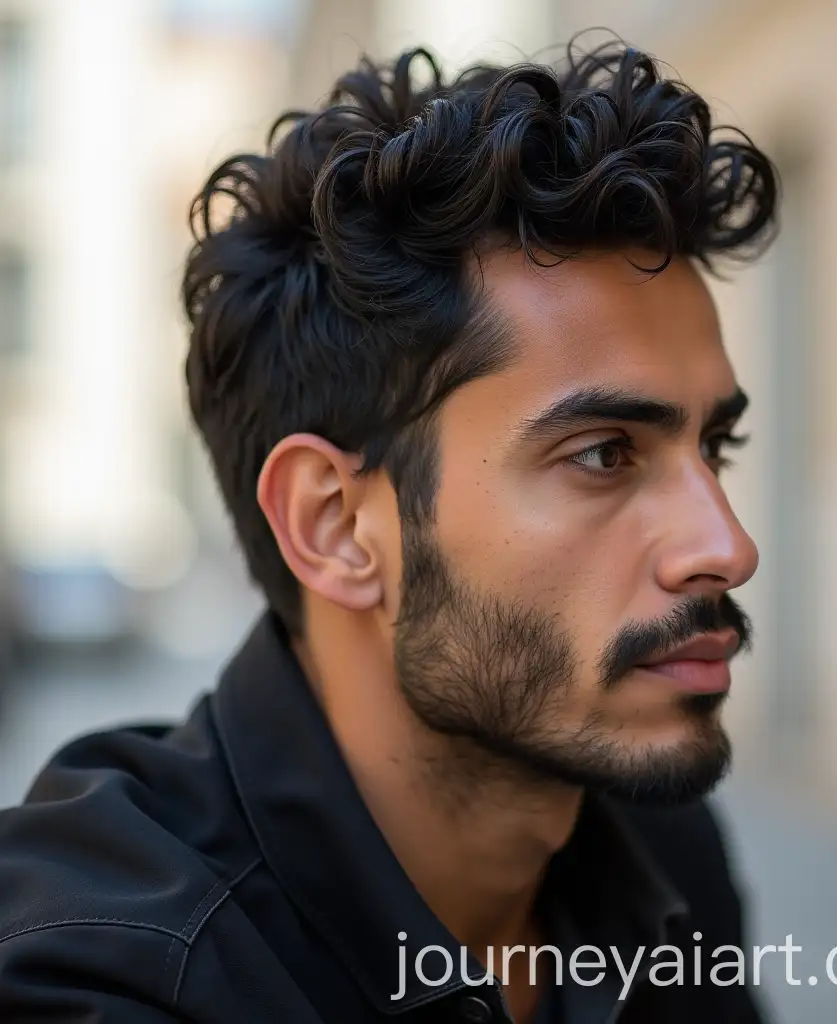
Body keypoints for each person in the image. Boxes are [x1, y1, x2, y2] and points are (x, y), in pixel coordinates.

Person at [0, 36, 778, 1023]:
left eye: (715, 446)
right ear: (334, 526)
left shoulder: (658, 855)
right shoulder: (99, 972)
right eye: (603, 454)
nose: (726, 546)